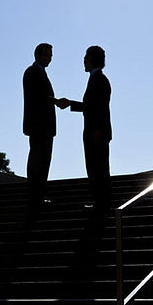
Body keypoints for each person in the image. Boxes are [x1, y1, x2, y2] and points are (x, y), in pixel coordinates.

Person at [55, 46, 112, 213]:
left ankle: (102, 203)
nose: (83, 61)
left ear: (92, 59)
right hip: (95, 131)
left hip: (96, 132)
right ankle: (100, 201)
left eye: (86, 58)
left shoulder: (99, 80)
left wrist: (98, 130)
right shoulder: (97, 79)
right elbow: (91, 106)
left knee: (97, 167)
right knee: (96, 167)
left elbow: (100, 107)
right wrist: (71, 104)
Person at [23, 43, 61, 208]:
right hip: (39, 125)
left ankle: (39, 193)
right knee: (38, 160)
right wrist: (55, 101)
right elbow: (38, 98)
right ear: (38, 55)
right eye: (47, 55)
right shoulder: (32, 72)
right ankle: (35, 194)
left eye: (51, 55)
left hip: (44, 126)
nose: (49, 58)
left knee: (43, 160)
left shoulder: (40, 73)